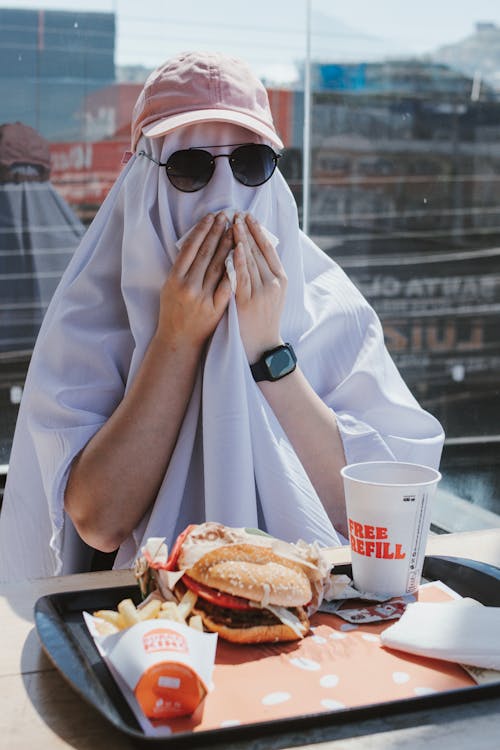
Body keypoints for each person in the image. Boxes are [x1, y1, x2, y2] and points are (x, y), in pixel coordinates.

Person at [0, 51, 444, 582]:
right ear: (146, 178)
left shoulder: (327, 301)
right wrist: (176, 340)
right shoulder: (96, 313)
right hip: (153, 620)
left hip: (312, 614)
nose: (225, 197)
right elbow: (101, 520)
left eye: (249, 163)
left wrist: (266, 350)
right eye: (191, 167)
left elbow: (377, 510)